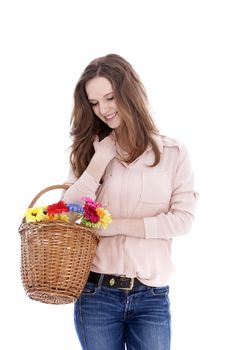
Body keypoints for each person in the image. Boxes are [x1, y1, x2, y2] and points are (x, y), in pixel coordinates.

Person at [63, 53, 198, 350]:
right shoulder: (90, 152)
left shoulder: (174, 154)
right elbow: (68, 214)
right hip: (96, 296)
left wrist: (115, 226)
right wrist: (99, 161)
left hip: (151, 297)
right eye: (95, 103)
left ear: (129, 93)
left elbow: (182, 220)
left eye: (110, 97)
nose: (104, 110)